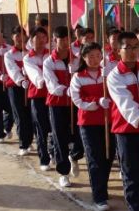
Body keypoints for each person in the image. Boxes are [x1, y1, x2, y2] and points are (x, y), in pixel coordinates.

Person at [106, 32, 139, 211]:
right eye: (127, 47)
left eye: (135, 47)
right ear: (118, 50)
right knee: (131, 173)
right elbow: (125, 103)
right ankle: (134, 207)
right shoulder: (114, 76)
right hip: (126, 129)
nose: (132, 51)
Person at [70, 42, 115, 211]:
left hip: (109, 121)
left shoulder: (108, 73)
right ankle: (99, 196)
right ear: (83, 57)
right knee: (95, 159)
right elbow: (77, 100)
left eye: (98, 56)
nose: (95, 59)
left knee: (109, 156)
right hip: (88, 122)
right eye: (91, 56)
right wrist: (96, 102)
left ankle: (102, 186)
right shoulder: (78, 77)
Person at [43, 26, 83, 187]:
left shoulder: (78, 59)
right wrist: (70, 90)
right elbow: (52, 86)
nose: (66, 43)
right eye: (62, 39)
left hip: (77, 104)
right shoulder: (49, 62)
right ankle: (63, 172)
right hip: (57, 104)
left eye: (68, 39)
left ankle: (74, 156)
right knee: (59, 137)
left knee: (80, 135)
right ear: (54, 41)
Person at [23, 27, 53, 171]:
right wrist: (46, 80)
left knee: (54, 126)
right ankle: (44, 158)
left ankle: (54, 152)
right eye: (38, 37)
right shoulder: (28, 58)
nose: (41, 40)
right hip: (38, 96)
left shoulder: (52, 55)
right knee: (41, 128)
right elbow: (36, 76)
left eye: (43, 37)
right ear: (31, 39)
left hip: (53, 95)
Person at [4, 26, 34, 156]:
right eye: (17, 36)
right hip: (15, 88)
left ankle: (30, 139)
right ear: (13, 37)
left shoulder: (30, 52)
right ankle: (23, 143)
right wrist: (21, 80)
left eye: (22, 36)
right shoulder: (8, 54)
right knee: (20, 115)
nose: (20, 39)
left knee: (30, 115)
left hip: (31, 87)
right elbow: (13, 71)